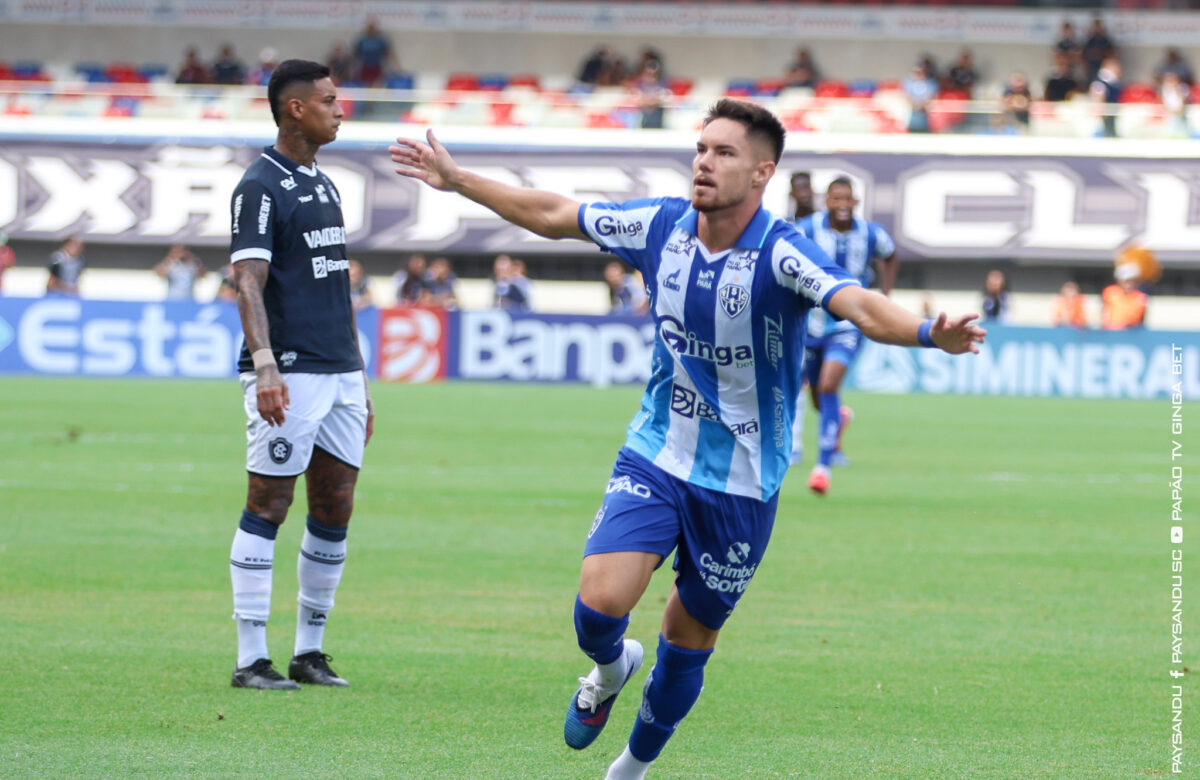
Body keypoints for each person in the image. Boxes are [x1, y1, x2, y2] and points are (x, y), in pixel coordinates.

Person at [390, 98, 984, 780]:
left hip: (742, 481)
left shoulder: (784, 252)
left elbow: (858, 304)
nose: (704, 161)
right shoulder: (662, 226)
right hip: (658, 450)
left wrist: (925, 333)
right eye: (701, 148)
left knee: (686, 638)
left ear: (762, 172)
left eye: (724, 152)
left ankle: (630, 769)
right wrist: (459, 179)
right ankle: (612, 668)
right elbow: (557, 216)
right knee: (598, 607)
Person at [226, 59, 373, 691]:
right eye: (329, 100)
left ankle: (308, 652)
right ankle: (251, 657)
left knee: (335, 506)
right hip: (288, 369)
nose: (340, 109)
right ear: (295, 109)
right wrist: (264, 365)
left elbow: (336, 290)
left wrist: (361, 382)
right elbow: (247, 281)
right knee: (270, 502)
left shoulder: (325, 183)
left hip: (339, 371)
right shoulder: (260, 185)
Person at [791, 177, 898, 493]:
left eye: (846, 199)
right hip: (812, 323)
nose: (841, 204)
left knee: (827, 384)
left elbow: (890, 255)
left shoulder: (870, 233)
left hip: (848, 324)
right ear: (827, 201)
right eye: (835, 198)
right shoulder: (807, 229)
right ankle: (838, 418)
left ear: (854, 203)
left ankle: (822, 467)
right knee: (817, 397)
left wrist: (884, 294)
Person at [1102, 263, 1148, 330]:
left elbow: (1141, 320)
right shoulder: (1110, 292)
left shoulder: (1141, 298)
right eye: (1125, 282)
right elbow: (1105, 311)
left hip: (1132, 333)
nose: (1128, 285)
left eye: (1131, 281)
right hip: (1112, 332)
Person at [352, 17, 392, 87]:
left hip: (377, 66)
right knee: (363, 84)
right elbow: (356, 52)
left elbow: (386, 52)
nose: (371, 30)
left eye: (373, 28)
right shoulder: (362, 40)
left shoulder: (380, 40)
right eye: (369, 28)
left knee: (377, 84)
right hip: (364, 65)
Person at [1089, 57, 1122, 139]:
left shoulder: (1113, 82)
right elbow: (1098, 98)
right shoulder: (1100, 82)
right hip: (1104, 115)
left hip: (1112, 114)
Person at [903, 62, 938, 133]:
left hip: (925, 113)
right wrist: (916, 105)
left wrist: (922, 105)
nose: (918, 74)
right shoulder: (909, 83)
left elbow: (931, 97)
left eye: (920, 72)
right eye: (916, 72)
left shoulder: (930, 83)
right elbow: (907, 97)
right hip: (912, 112)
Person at [1081, 16, 1117, 84]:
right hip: (1092, 67)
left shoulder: (1106, 40)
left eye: (1098, 27)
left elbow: (1111, 53)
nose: (1097, 29)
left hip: (1103, 66)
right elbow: (1084, 54)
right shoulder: (1090, 41)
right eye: (1095, 27)